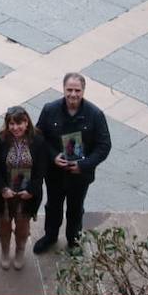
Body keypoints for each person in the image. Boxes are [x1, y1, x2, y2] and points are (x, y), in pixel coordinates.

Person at [33, 73, 111, 254]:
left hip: (80, 175)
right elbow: (38, 136)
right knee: (53, 206)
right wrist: (53, 156)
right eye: (69, 90)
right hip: (55, 173)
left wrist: (83, 165)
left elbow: (104, 146)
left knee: (76, 208)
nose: (73, 94)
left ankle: (73, 240)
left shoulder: (95, 114)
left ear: (83, 91)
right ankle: (50, 236)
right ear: (63, 89)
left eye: (77, 90)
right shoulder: (49, 109)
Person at [0, 105, 47, 271]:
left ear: (26, 122)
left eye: (19, 123)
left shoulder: (38, 139)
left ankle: (20, 251)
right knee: (4, 224)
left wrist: (32, 190)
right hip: (5, 193)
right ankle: (5, 251)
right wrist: (3, 188)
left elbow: (41, 167)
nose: (15, 128)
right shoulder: (1, 138)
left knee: (23, 226)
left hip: (26, 194)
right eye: (11, 124)